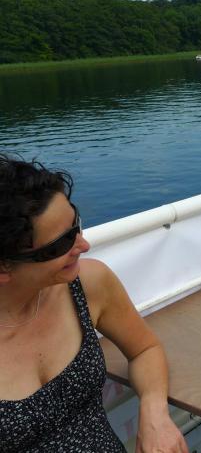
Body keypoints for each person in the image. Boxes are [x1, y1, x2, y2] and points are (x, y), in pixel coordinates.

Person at [0, 156, 187, 452]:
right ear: (4, 267)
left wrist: (154, 413)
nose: (83, 245)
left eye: (76, 225)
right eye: (62, 244)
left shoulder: (87, 285)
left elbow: (144, 349)